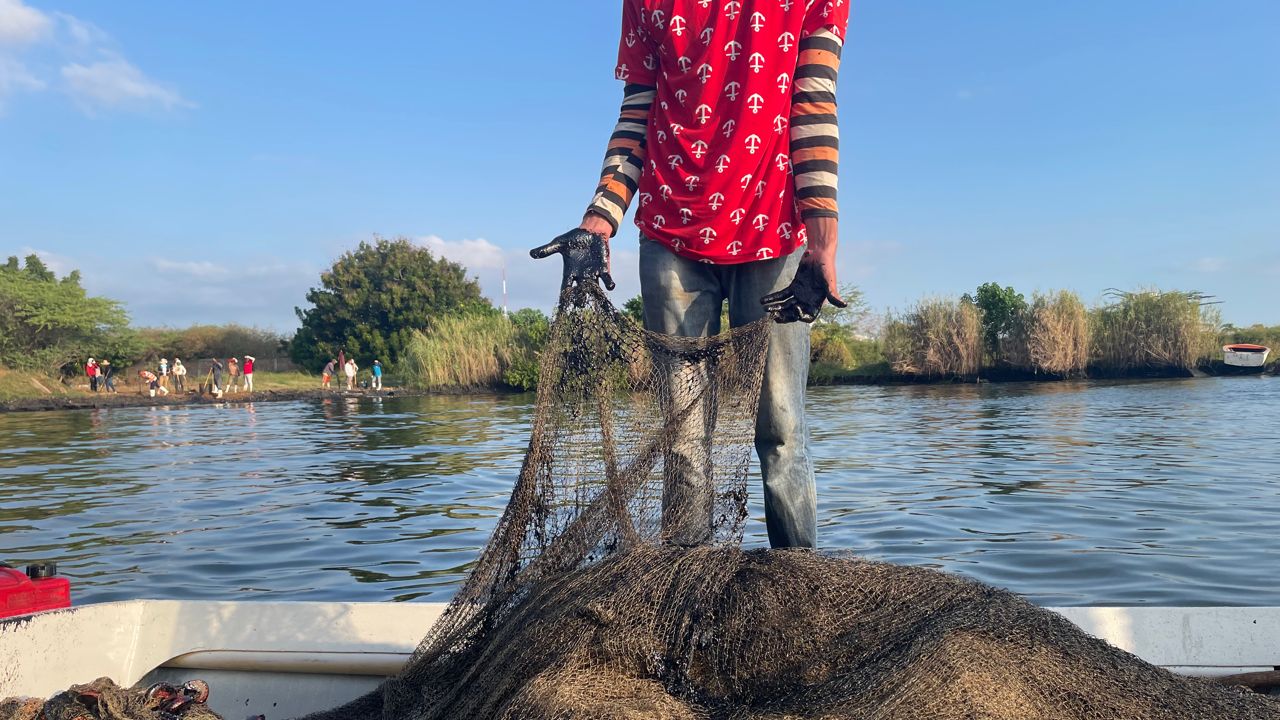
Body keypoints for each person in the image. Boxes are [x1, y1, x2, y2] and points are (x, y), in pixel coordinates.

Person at [533, 0, 850, 549]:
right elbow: (637, 111)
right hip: (670, 235)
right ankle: (689, 591)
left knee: (782, 433)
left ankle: (802, 587)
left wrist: (822, 239)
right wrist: (600, 218)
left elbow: (813, 103)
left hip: (770, 232)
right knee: (682, 437)